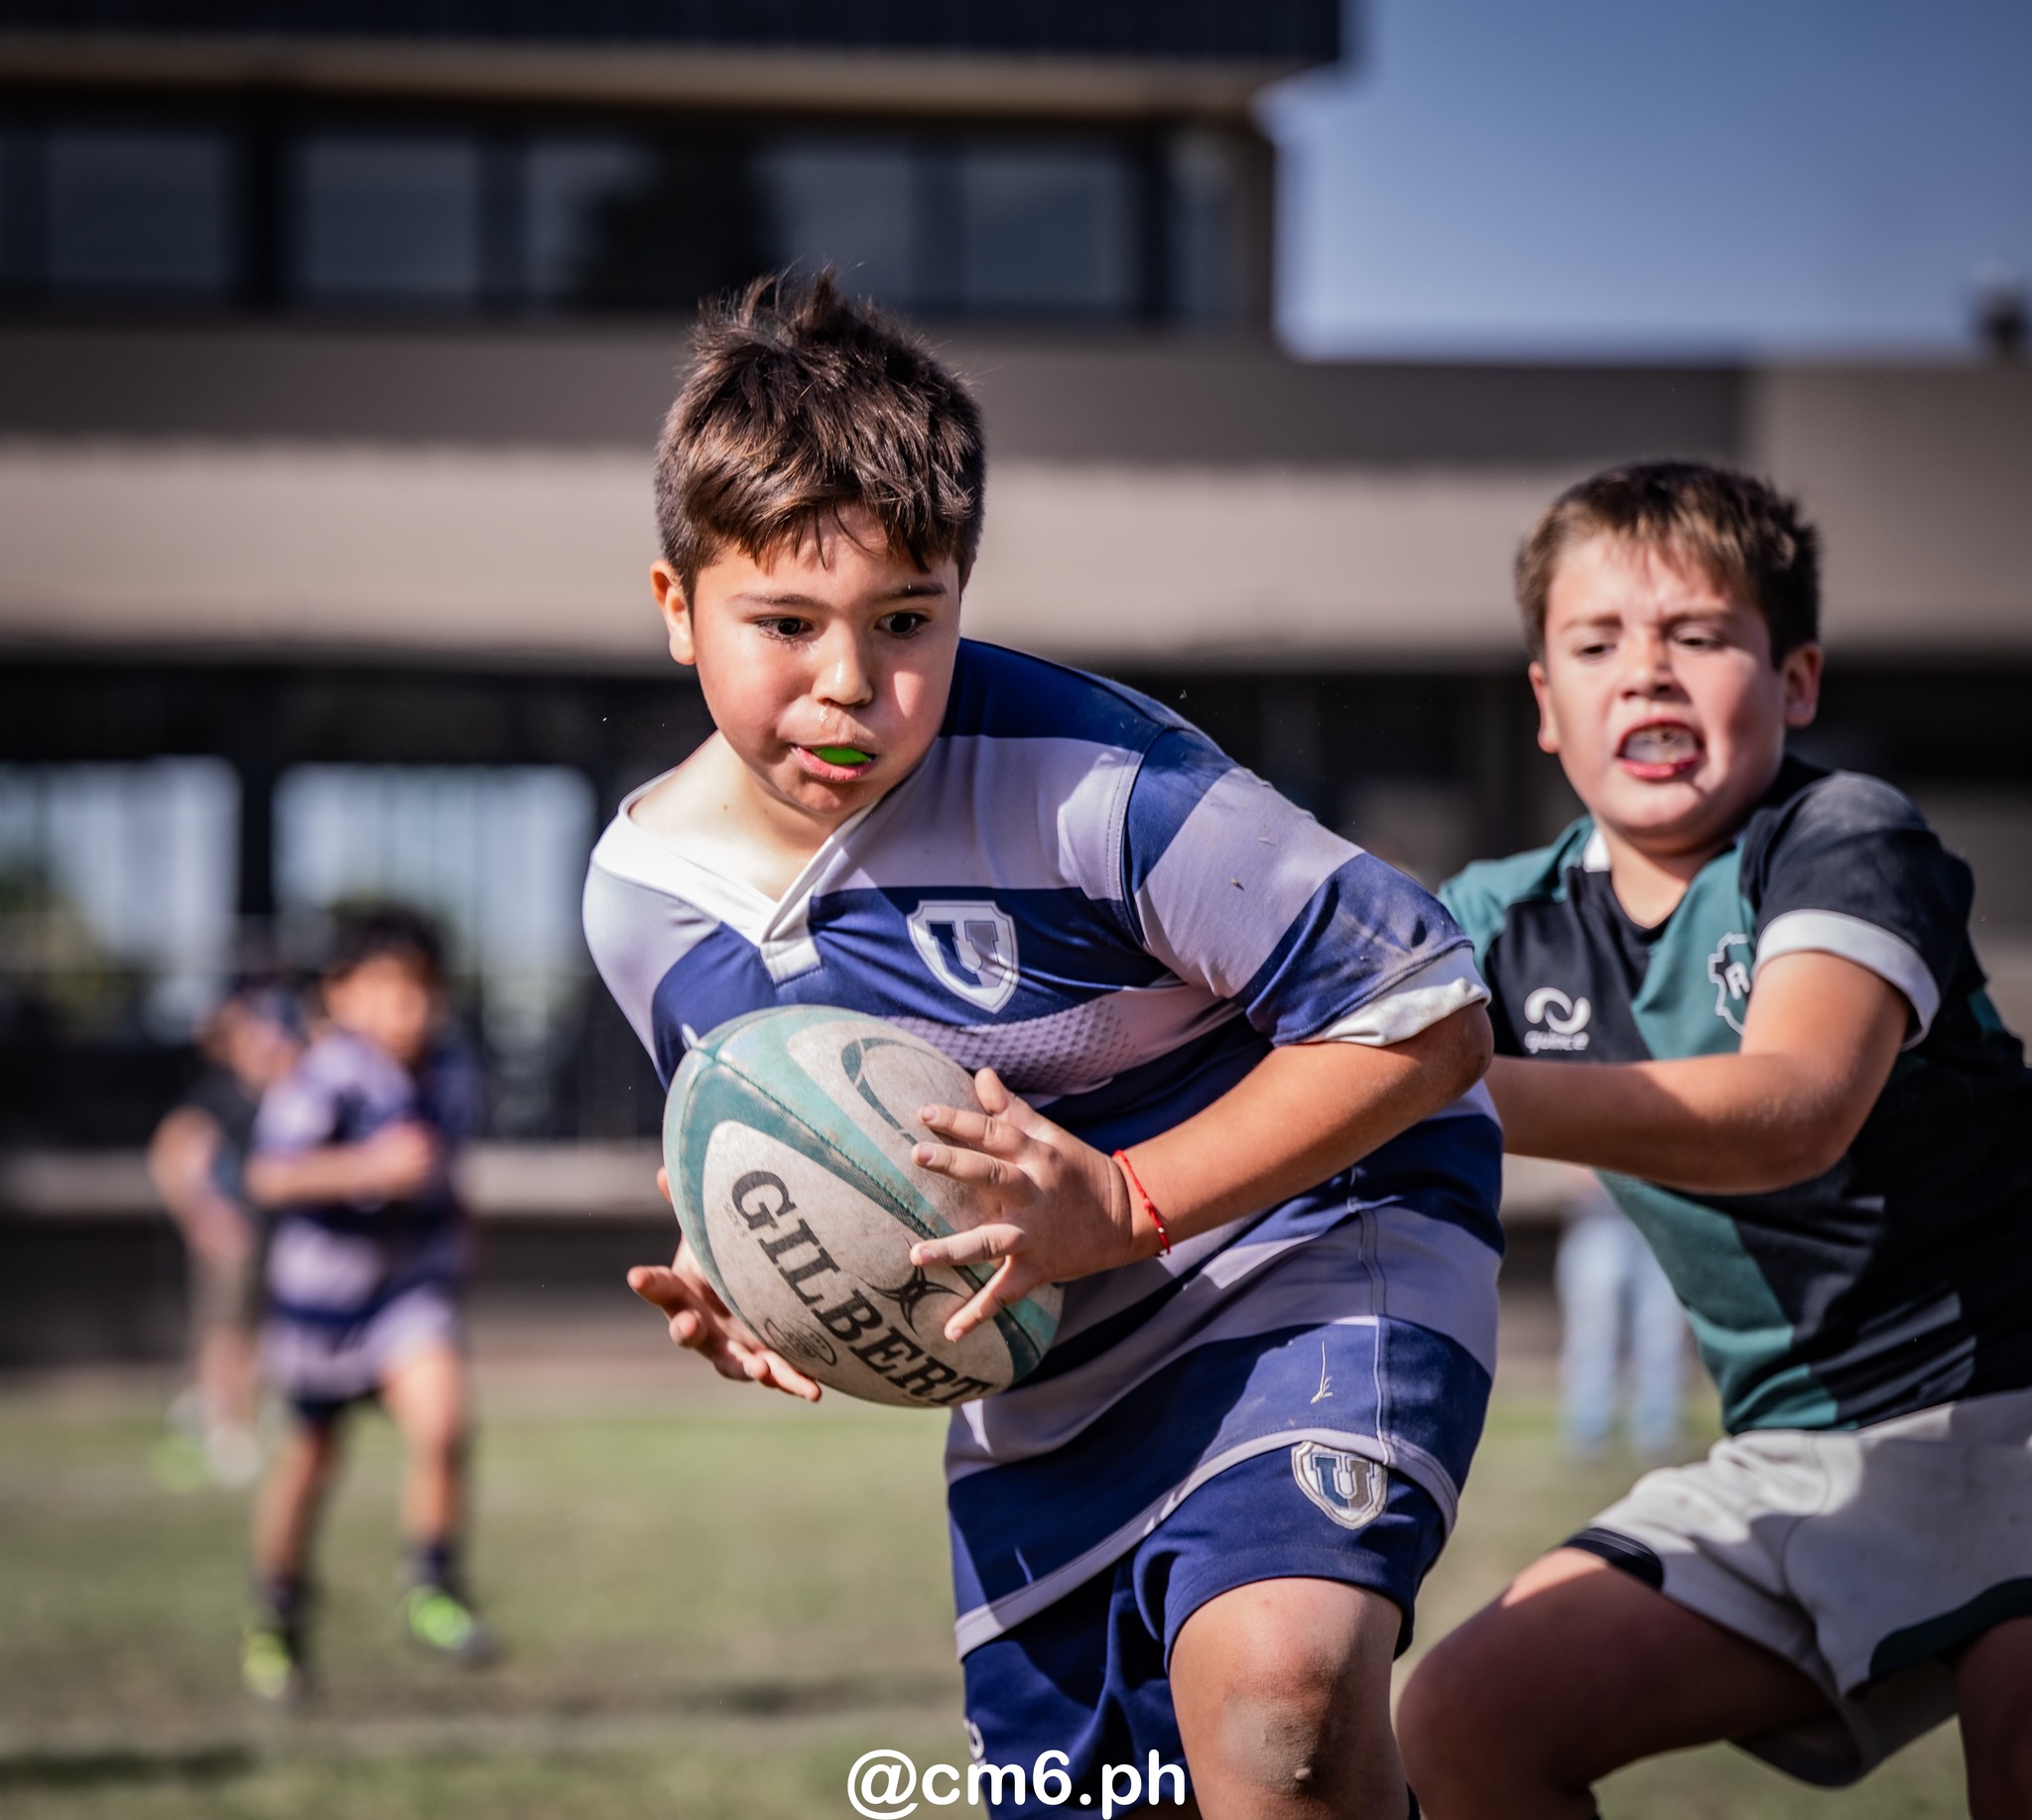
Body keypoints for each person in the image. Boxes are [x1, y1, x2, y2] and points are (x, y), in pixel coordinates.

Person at [582, 271, 1499, 1818]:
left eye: (905, 623)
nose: (850, 684)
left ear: (963, 598)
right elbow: (773, 1127)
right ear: (676, 610)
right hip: (1047, 1370)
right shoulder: (645, 904)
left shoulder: (1089, 782)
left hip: (1311, 1250)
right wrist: (741, 1268)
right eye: (784, 623)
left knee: (1279, 1694)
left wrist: (1124, 1205)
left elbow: (1425, 1006)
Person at [1400, 462, 2032, 1816]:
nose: (1647, 674)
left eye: (1697, 634)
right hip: (1799, 1456)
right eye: (1596, 643)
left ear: (1795, 680)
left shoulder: (1845, 835)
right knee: (1462, 1718)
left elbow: (1792, 1111)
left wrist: (1415, 1088)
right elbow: (1301, 1065)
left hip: (2019, 1408)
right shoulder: (1497, 918)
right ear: (1545, 708)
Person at [239, 905, 492, 1704]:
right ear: (340, 996)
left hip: (408, 1297)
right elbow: (270, 1177)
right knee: (309, 1463)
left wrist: (456, 1223)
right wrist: (365, 1169)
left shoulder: (451, 1072)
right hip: (320, 1307)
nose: (407, 1010)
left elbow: (443, 1173)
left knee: (445, 1422)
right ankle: (276, 1618)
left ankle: (432, 1586)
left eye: (422, 992)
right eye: (386, 991)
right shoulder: (324, 1077)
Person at [147, 981, 304, 1489]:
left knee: (264, 1335)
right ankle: (223, 1429)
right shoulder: (218, 1096)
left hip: (280, 1232)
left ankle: (230, 1412)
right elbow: (172, 1153)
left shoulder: (290, 1096)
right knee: (225, 1332)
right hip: (233, 1234)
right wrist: (203, 1218)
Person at [1553, 1173, 1685, 1461]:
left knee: (1660, 1336)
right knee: (1593, 1337)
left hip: (1661, 1222)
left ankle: (1657, 1434)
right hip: (1598, 1220)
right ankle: (1588, 1433)